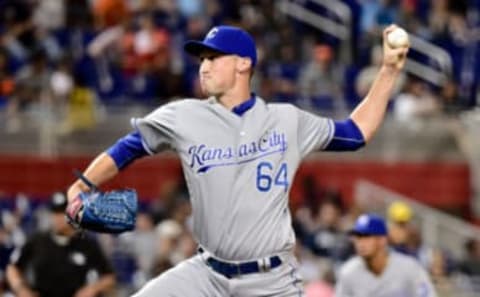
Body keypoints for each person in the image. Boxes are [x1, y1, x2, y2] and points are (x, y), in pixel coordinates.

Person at [66, 24, 409, 296]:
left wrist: (388, 72)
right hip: (207, 275)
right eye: (201, 59)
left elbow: (356, 132)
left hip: (271, 281)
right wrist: (83, 184)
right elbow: (128, 148)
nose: (204, 66)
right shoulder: (183, 116)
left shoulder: (287, 120)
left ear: (244, 63)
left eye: (214, 57)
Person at [6, 193, 115, 297]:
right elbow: (13, 267)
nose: (58, 218)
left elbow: (109, 277)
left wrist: (92, 289)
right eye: (55, 213)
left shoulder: (87, 244)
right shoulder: (37, 240)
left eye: (63, 213)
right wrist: (21, 289)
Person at [335, 213, 437, 297]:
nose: (360, 243)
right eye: (357, 237)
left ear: (382, 240)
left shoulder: (409, 268)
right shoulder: (348, 272)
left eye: (366, 236)